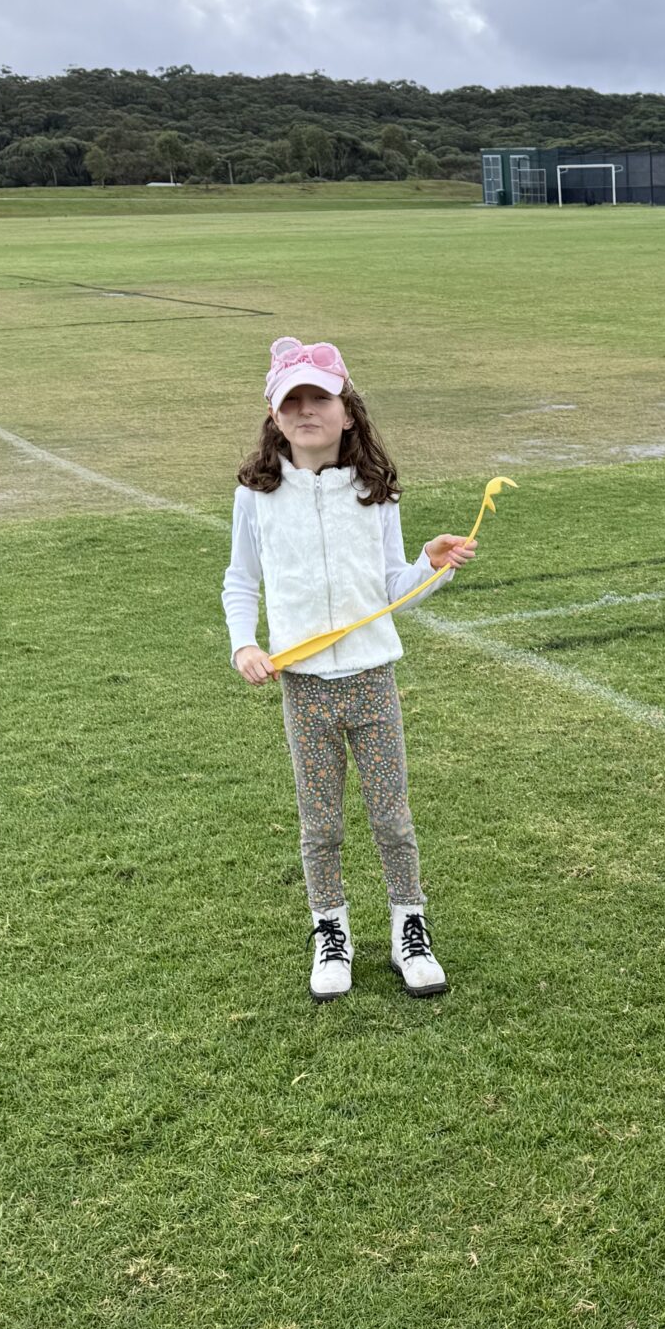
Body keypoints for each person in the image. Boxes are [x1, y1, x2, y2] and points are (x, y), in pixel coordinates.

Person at [223, 338, 476, 1001]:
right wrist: (243, 644)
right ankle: (329, 932)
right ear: (275, 418)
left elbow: (392, 586)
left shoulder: (375, 493)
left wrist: (431, 564)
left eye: (319, 398)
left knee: (391, 817)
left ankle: (407, 927)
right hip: (303, 686)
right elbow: (239, 578)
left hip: (371, 680)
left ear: (347, 412)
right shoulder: (257, 495)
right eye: (291, 402)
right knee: (321, 820)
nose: (305, 410)